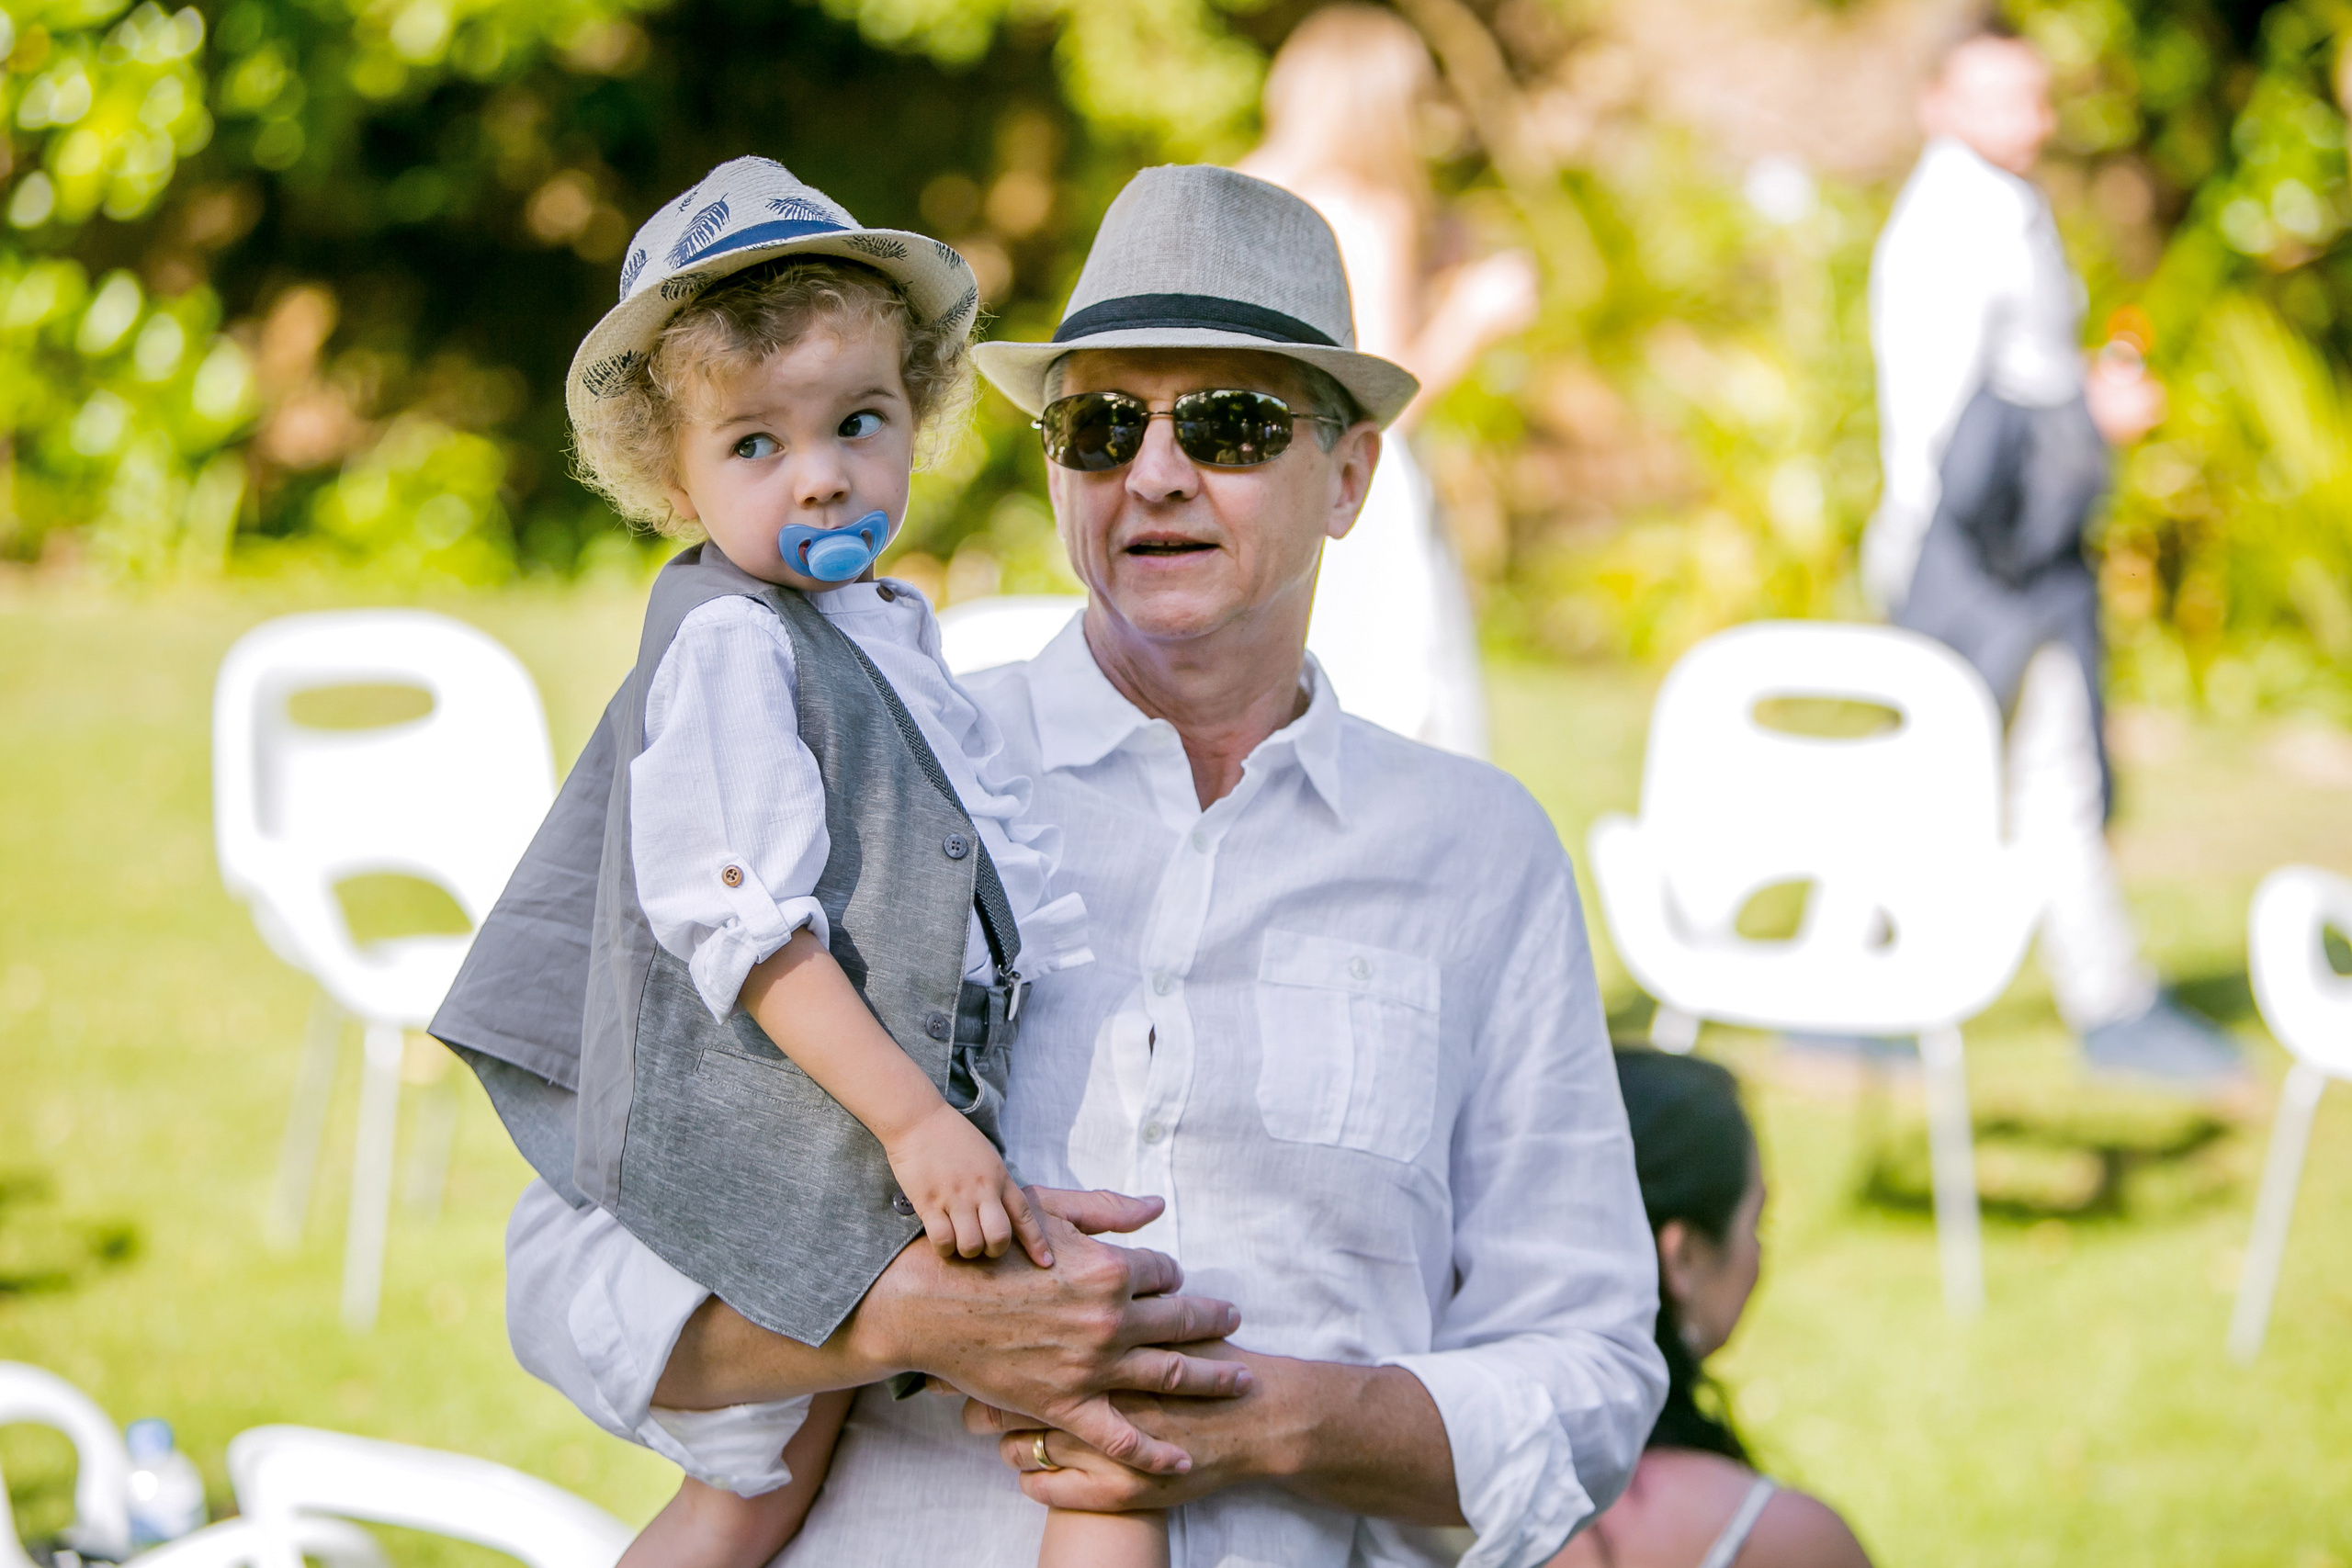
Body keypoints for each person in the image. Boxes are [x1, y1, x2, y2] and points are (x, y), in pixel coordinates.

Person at [453, 164, 1666, 1565]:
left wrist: (1271, 1419)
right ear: (1053, 468)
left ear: (1348, 476)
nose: (1154, 471)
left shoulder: (1479, 853)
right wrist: (897, 1314)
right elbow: (568, 1269)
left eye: (1227, 422)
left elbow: (1588, 1373)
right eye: (1100, 425)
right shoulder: (850, 764)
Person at [440, 156, 1169, 1568]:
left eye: (857, 421)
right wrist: (918, 1124)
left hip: (856, 1119)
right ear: (674, 474)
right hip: (779, 1117)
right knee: (763, 1482)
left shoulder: (870, 621)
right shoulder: (729, 643)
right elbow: (747, 929)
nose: (823, 470)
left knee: (781, 1477)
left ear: (917, 417)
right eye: (755, 445)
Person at [1865, 19, 2239, 1083]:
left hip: (2001, 548)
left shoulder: (2002, 206)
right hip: (1977, 555)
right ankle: (2070, 999)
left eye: (2033, 98)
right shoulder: (1958, 220)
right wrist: (2091, 417)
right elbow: (1958, 430)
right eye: (1994, 98)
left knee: (2034, 770)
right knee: (1975, 774)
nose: (2024, 120)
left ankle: (2098, 991)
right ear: (1936, 102)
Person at [1238, 4, 1539, 759]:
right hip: (1356, 487)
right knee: (1392, 708)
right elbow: (1386, 398)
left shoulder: (1243, 194)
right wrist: (1475, 314)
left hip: (1252, 468)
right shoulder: (1368, 209)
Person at [1550, 1051, 1871, 1568]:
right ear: (1683, 1257)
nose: (1761, 1257)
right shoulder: (1785, 1541)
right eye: (1758, 1223)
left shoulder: (1425, 1484)